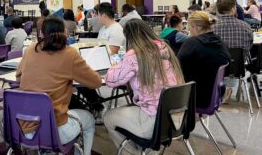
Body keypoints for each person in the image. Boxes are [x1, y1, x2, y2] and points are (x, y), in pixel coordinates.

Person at [16, 17, 102, 155]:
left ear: (41, 34)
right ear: (65, 32)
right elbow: (96, 82)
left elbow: (19, 76)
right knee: (89, 118)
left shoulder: (31, 49)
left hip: (23, 128)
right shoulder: (70, 54)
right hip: (54, 130)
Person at [104, 19, 184, 154]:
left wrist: (115, 67)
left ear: (128, 36)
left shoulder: (134, 55)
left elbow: (110, 81)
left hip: (152, 120)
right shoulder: (165, 47)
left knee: (108, 117)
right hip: (176, 117)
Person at [178, 11, 230, 108]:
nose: (189, 31)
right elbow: (227, 72)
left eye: (189, 27)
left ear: (195, 27)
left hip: (196, 97)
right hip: (216, 95)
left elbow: (177, 69)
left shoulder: (191, 43)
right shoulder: (221, 43)